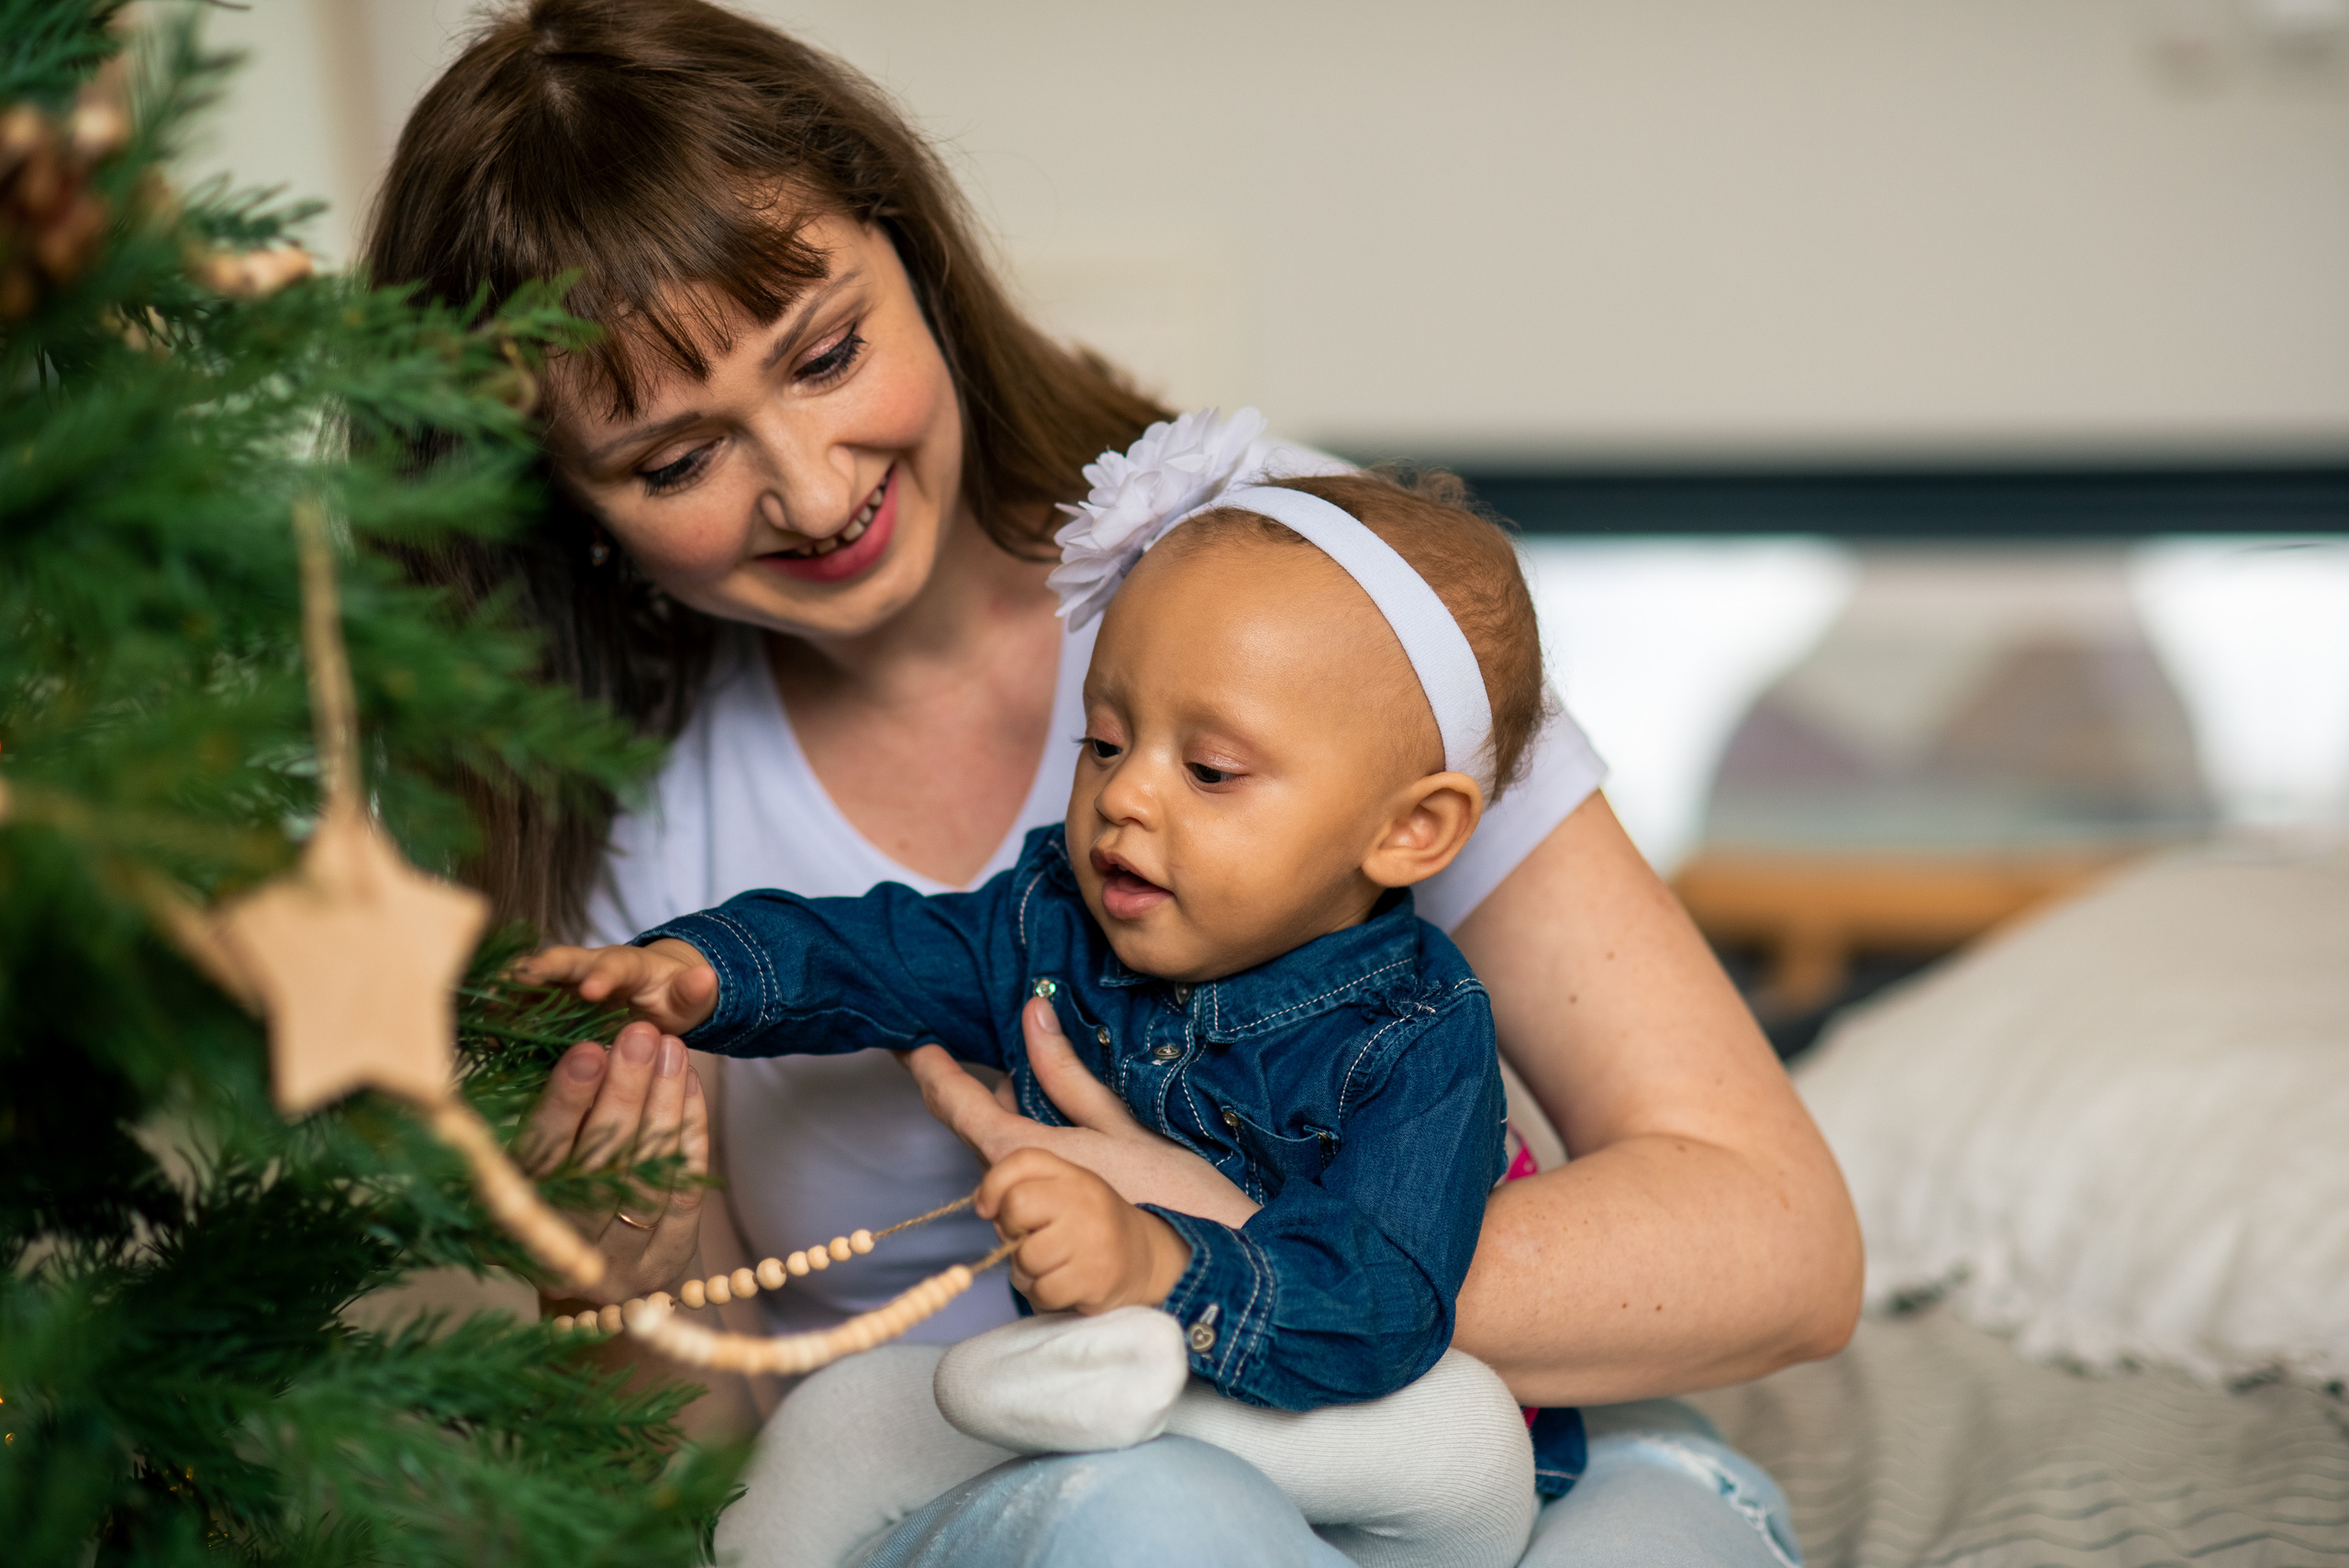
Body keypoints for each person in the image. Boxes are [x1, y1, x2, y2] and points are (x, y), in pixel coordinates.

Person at [366, 2, 1863, 1563]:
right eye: (674, 461)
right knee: (1156, 1518)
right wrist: (613, 1291)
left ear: (915, 255)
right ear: (557, 500)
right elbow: (713, 1492)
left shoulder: (1290, 578)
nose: (813, 492)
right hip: (1040, 1481)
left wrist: (1198, 1238)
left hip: (1458, 1430)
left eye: (827, 354)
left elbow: (1778, 1246)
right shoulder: (610, 810)